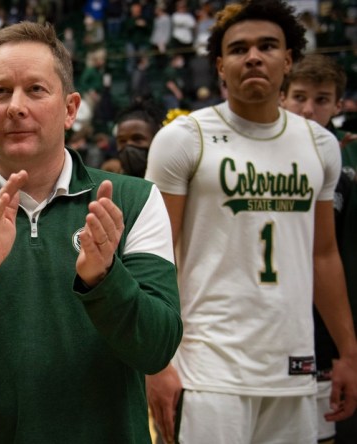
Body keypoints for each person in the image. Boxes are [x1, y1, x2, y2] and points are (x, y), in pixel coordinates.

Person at [0, 21, 182, 442]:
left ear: (70, 107)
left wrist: (105, 280)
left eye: (36, 90)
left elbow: (157, 349)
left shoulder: (134, 201)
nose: (16, 106)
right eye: (1, 92)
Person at [144, 1, 357, 443]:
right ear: (221, 66)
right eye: (239, 49)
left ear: (289, 59)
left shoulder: (321, 146)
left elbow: (324, 254)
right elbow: (154, 256)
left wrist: (348, 351)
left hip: (294, 365)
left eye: (267, 46)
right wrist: (158, 361)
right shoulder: (184, 138)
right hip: (207, 370)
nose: (254, 56)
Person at [280, 53, 357, 444]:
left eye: (322, 100)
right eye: (299, 97)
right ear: (282, 98)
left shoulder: (345, 180)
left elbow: (334, 258)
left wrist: (348, 348)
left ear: (339, 106)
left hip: (320, 332)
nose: (309, 110)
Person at [113, 99, 166, 178]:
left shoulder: (173, 182)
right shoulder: (112, 185)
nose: (128, 145)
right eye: (122, 141)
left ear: (156, 139)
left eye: (137, 139)